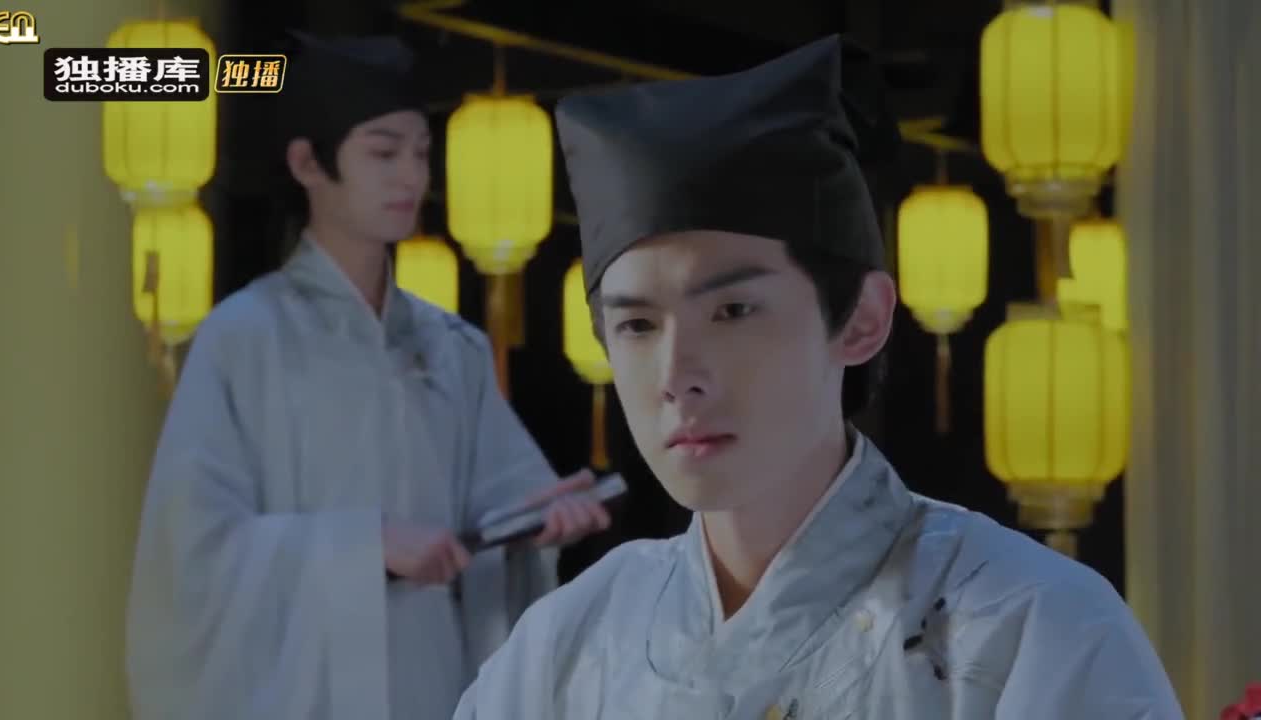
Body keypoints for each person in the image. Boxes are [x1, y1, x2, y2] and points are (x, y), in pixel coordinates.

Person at [452, 34, 1185, 719]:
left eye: (733, 311)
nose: (676, 376)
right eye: (638, 325)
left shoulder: (1028, 626)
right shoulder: (567, 644)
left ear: (862, 319)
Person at [124, 31, 610, 720]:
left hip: (431, 683)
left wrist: (539, 524)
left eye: (420, 153)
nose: (410, 177)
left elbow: (499, 510)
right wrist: (365, 544)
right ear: (308, 163)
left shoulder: (453, 349)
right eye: (383, 153)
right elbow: (191, 558)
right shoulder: (244, 337)